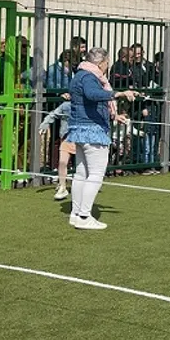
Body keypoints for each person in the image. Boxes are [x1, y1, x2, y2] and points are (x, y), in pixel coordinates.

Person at [66, 48, 138, 230]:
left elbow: (86, 102)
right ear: (101, 63)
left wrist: (114, 116)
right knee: (96, 174)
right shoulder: (90, 77)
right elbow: (92, 95)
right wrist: (119, 94)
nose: (107, 67)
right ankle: (83, 215)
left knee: (81, 173)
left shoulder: (79, 74)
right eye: (106, 63)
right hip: (92, 130)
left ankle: (76, 214)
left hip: (80, 128)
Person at [38, 96, 75, 201]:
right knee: (62, 163)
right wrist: (44, 125)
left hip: (81, 139)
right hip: (67, 137)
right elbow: (53, 114)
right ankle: (62, 187)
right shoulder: (66, 106)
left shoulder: (86, 106)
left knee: (83, 166)